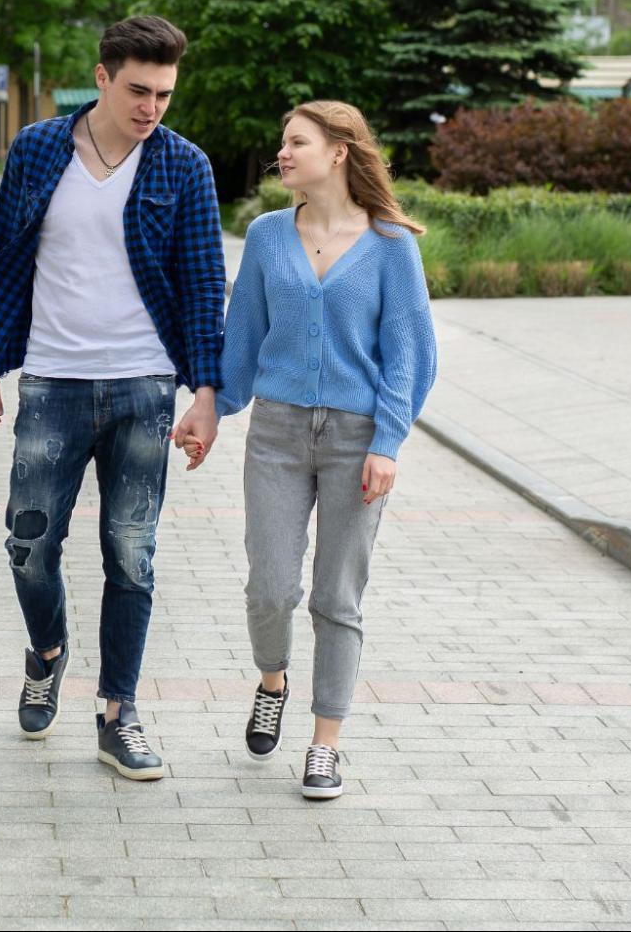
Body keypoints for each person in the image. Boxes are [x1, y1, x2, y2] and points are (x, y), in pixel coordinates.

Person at [0, 15, 226, 782]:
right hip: (52, 382)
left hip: (145, 386)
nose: (151, 107)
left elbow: (205, 286)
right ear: (101, 77)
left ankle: (117, 712)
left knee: (129, 554)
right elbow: (4, 256)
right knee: (28, 545)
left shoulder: (183, 166)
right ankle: (46, 650)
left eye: (165, 93)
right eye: (138, 89)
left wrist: (205, 391)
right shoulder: (39, 149)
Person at [208, 101, 437, 801]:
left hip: (354, 439)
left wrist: (388, 441)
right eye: (281, 142)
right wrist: (210, 409)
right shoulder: (268, 234)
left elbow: (409, 353)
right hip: (275, 432)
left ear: (338, 151)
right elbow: (240, 336)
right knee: (270, 586)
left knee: (337, 595)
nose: (282, 153)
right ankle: (271, 678)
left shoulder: (392, 243)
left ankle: (324, 743)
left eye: (296, 142)